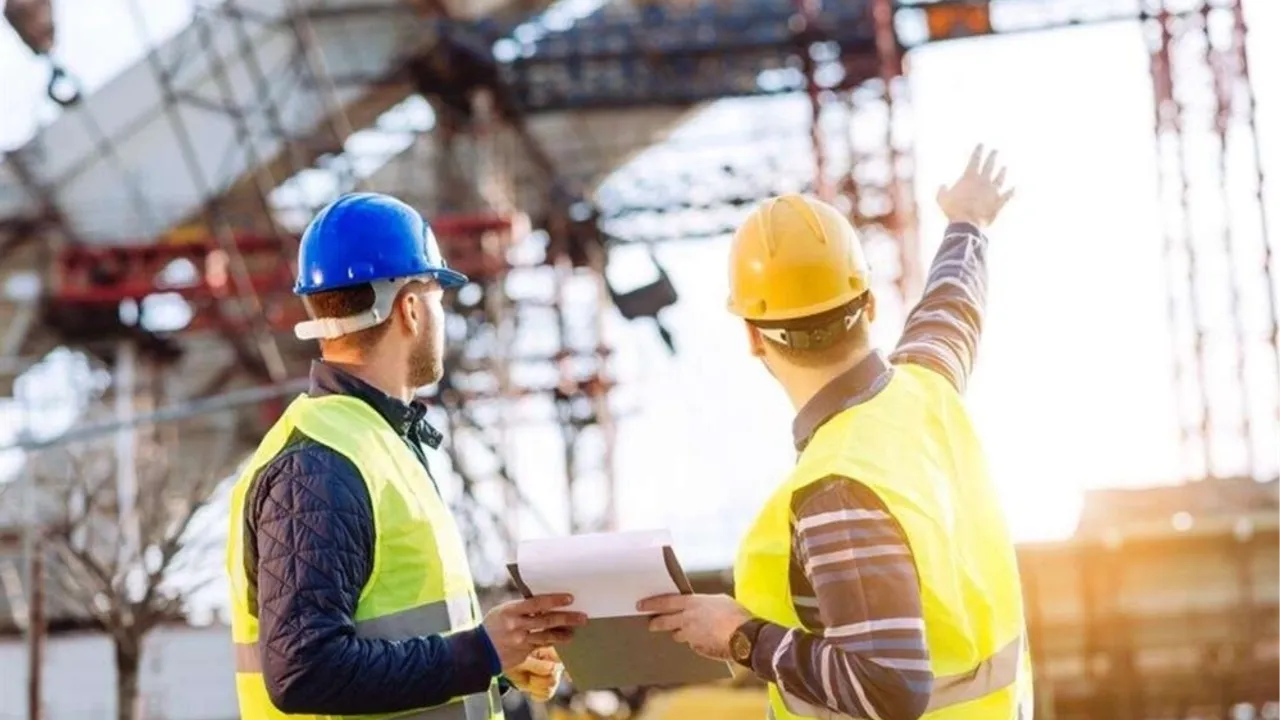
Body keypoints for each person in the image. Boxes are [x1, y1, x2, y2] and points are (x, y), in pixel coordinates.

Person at [639, 146, 1034, 720]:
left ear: (753, 336)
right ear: (868, 305)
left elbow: (889, 688)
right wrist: (968, 222)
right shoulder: (926, 389)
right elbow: (953, 307)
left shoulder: (837, 487)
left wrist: (740, 636)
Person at [224, 192, 585, 719]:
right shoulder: (322, 464)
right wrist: (478, 652)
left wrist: (495, 665)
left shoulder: (369, 443)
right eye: (437, 294)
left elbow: (393, 636)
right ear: (410, 309)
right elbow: (303, 670)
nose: (441, 312)